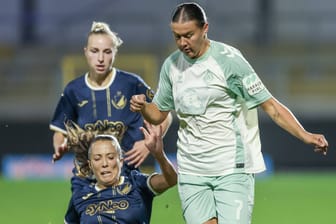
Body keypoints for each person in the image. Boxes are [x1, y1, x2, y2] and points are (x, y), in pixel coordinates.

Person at [130, 2, 329, 224]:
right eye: (177, 36)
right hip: (191, 169)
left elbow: (270, 105)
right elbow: (158, 114)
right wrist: (144, 108)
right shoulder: (171, 66)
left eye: (188, 35)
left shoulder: (229, 61)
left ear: (205, 28)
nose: (182, 43)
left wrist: (306, 136)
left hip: (231, 168)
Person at [49, 21, 172, 220]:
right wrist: (60, 145)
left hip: (126, 177)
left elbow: (164, 116)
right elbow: (60, 132)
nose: (100, 58)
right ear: (85, 51)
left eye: (107, 51)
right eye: (95, 51)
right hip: (85, 178)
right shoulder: (73, 90)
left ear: (115, 52)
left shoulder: (131, 83)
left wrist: (146, 145)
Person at [63, 120, 177, 223]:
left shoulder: (137, 183)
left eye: (111, 157)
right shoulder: (80, 196)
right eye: (97, 158)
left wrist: (159, 154)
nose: (104, 164)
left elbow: (171, 180)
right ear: (90, 165)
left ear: (121, 161)